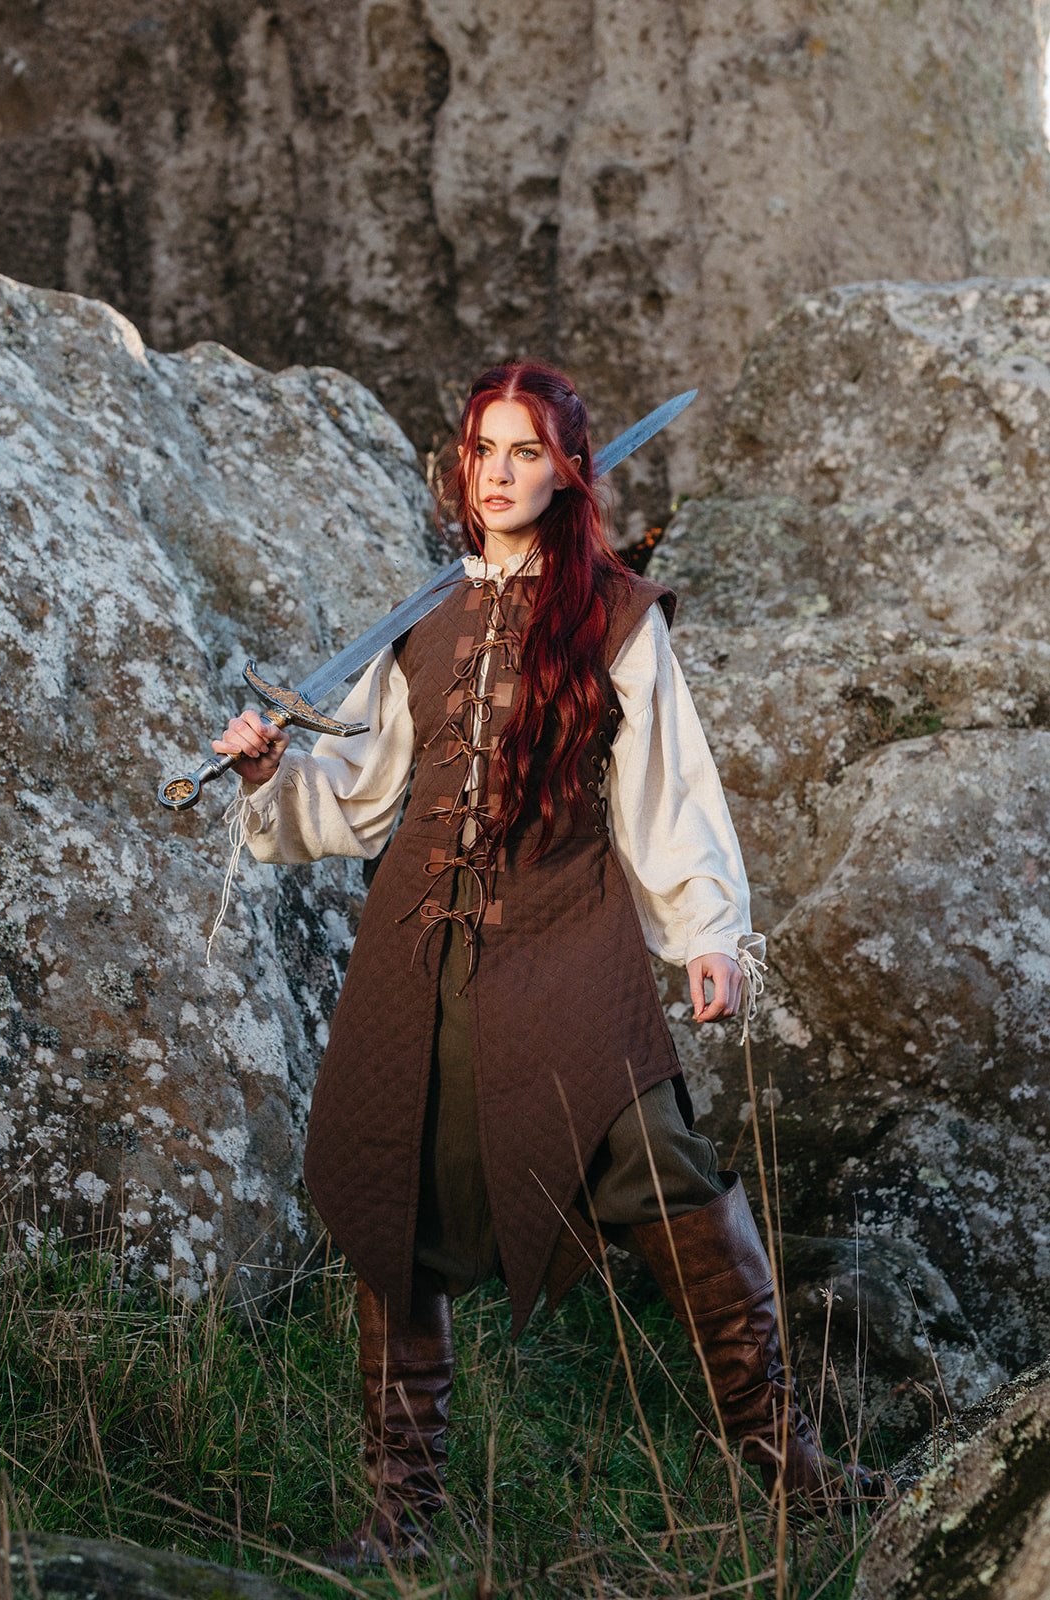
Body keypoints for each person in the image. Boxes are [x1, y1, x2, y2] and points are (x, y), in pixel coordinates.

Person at [213, 360, 878, 1562]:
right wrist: (270, 773)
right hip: (419, 961)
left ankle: (797, 1477)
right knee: (389, 1187)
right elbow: (358, 806)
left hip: (569, 942)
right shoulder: (422, 626)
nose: (502, 472)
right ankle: (403, 1516)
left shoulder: (615, 616)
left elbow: (668, 789)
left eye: (526, 451)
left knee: (658, 1162)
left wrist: (707, 931)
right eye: (484, 450)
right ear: (462, 467)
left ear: (567, 472)